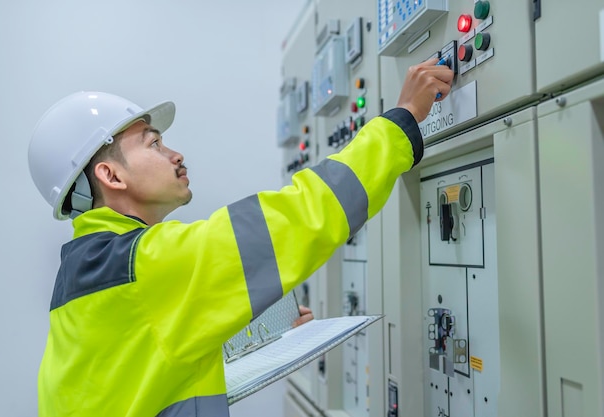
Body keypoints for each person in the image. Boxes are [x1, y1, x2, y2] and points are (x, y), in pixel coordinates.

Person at [27, 57, 453, 417]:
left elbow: (135, 375)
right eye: (154, 143)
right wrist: (400, 123)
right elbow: (302, 215)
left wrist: (246, 340)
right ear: (110, 174)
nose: (175, 155)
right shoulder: (144, 266)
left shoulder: (87, 267)